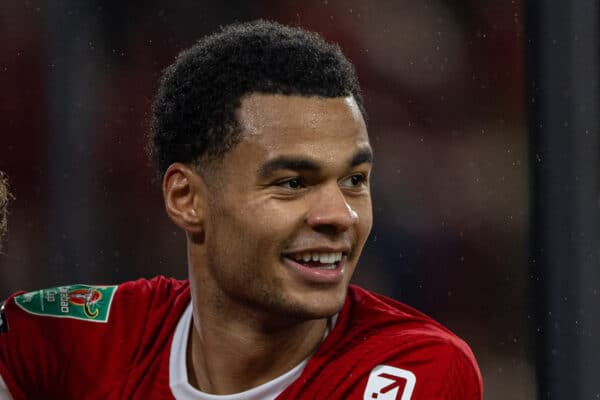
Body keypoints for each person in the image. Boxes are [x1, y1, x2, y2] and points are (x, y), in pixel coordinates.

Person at [0, 20, 482, 399]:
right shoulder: (73, 342)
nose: (340, 215)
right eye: (293, 183)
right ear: (186, 199)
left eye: (354, 181)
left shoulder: (412, 368)